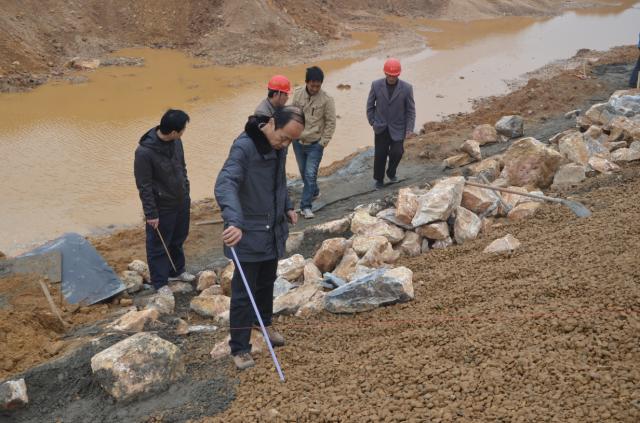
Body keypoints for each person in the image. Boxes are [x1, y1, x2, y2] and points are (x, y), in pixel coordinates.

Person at [215, 106, 305, 370]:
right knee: (244, 294)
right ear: (273, 122)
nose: (286, 144)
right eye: (284, 137)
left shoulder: (279, 147)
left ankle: (263, 323)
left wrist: (287, 206)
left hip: (272, 229)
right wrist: (234, 221)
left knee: (267, 282)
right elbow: (225, 183)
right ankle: (240, 348)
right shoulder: (244, 148)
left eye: (291, 140)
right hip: (248, 231)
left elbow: (279, 181)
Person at [134, 109, 196, 290]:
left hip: (181, 201)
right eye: (183, 129)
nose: (184, 131)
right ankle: (160, 282)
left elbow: (182, 167)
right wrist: (151, 213)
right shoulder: (144, 153)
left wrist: (186, 191)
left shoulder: (177, 142)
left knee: (178, 238)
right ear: (174, 131)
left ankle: (176, 271)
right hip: (162, 207)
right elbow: (144, 185)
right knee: (158, 245)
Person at [291, 66, 336, 219]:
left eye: (318, 86)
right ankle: (314, 191)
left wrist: (323, 142)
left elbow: (331, 122)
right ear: (307, 83)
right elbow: (293, 115)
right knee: (304, 173)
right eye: (312, 85)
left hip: (315, 145)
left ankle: (306, 206)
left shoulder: (327, 100)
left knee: (310, 175)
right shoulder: (297, 94)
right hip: (298, 142)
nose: (315, 88)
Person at [366, 58, 416, 190]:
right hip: (380, 127)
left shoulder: (406, 88)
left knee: (398, 152)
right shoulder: (376, 85)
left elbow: (411, 111)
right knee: (380, 154)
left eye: (394, 76)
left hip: (398, 128)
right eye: (389, 75)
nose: (391, 78)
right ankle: (379, 179)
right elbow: (370, 105)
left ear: (398, 74)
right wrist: (372, 121)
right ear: (385, 73)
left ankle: (391, 172)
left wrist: (409, 129)